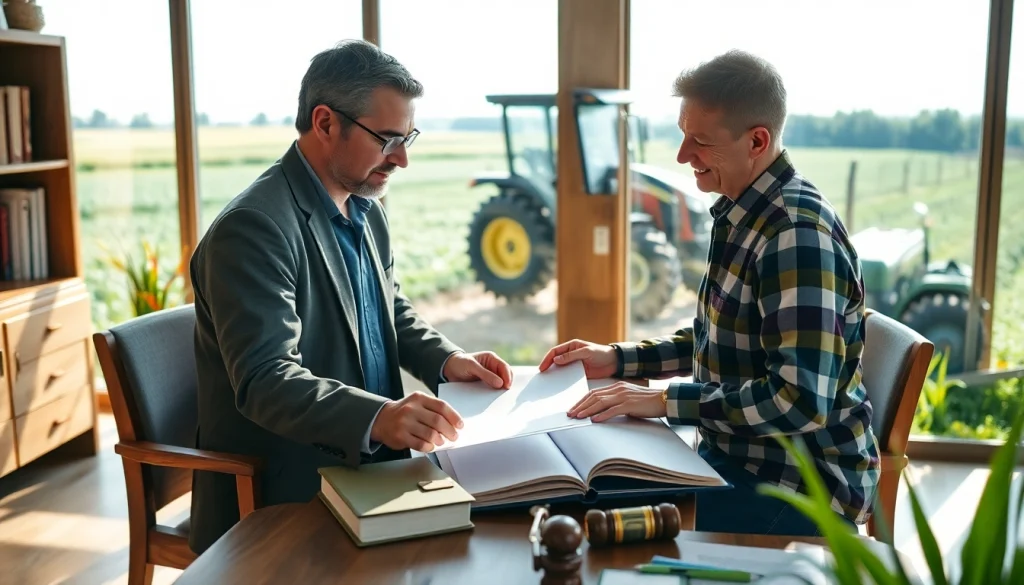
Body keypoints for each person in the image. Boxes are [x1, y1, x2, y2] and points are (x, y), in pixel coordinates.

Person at [188, 39, 513, 554]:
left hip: (373, 466)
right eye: (387, 139)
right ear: (324, 123)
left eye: (408, 138)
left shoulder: (365, 204)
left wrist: (448, 361)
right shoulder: (253, 228)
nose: (402, 159)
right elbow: (266, 380)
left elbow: (389, 308)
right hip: (286, 489)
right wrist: (379, 418)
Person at [540, 50, 879, 537]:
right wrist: (616, 360)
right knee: (578, 500)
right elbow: (717, 339)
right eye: (682, 135)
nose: (681, 156)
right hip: (739, 457)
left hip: (798, 487)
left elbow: (800, 402)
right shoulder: (743, 210)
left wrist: (660, 401)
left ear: (757, 141)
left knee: (595, 525)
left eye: (699, 141)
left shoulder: (795, 235)